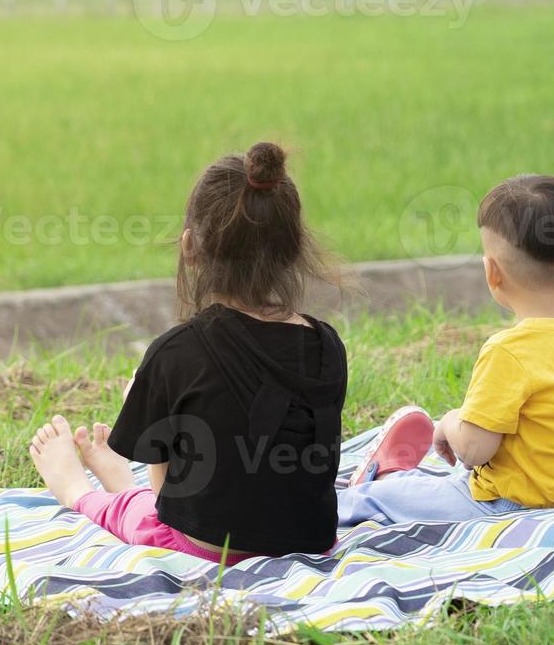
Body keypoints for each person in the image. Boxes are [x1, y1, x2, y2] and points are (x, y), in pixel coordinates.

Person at [29, 141, 345, 563]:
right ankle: (121, 479)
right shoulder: (327, 345)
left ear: (190, 247)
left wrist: (153, 414)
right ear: (292, 249)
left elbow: (169, 504)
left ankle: (79, 489)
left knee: (142, 516)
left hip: (208, 551)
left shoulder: (175, 353)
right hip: (314, 542)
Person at [338, 174, 554, 525]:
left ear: (493, 273)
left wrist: (448, 422)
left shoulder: (508, 352)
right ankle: (396, 475)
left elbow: (474, 450)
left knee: (373, 501)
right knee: (444, 489)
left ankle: (380, 480)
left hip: (509, 508)